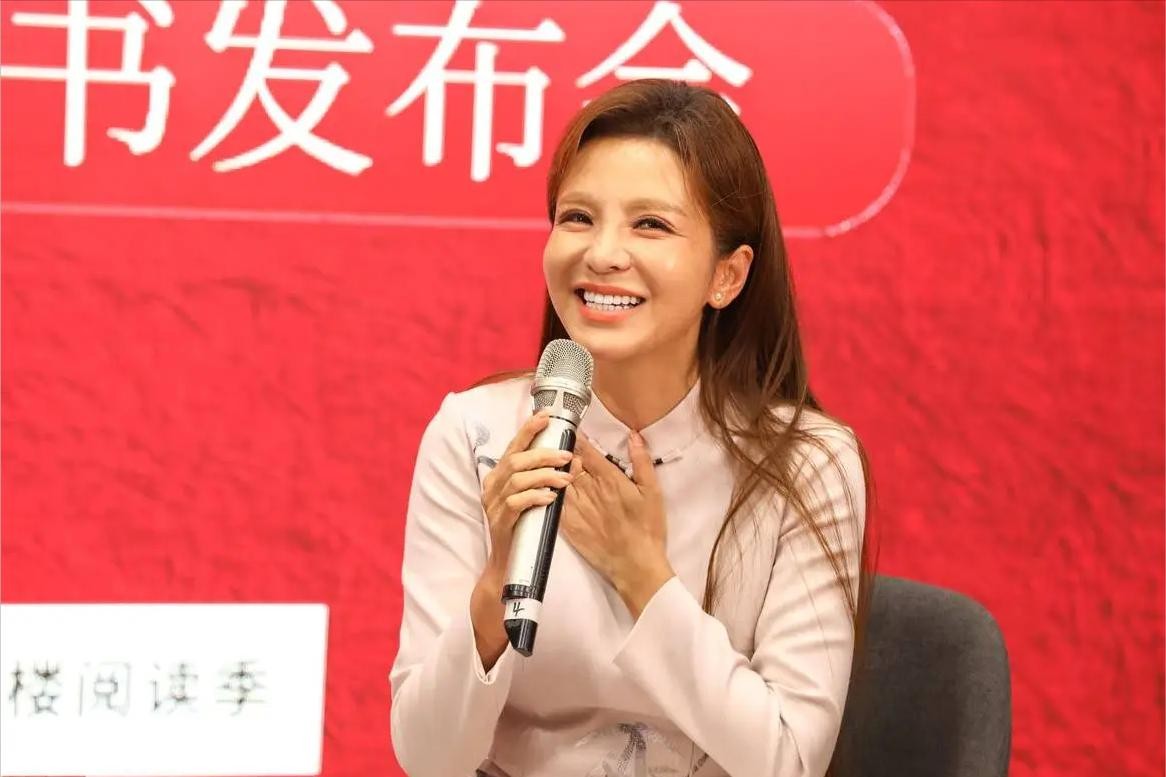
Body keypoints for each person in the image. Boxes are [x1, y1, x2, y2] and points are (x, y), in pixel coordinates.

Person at [389, 79, 874, 777]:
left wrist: (642, 575)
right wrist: (496, 585)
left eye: (650, 225)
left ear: (728, 275)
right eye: (578, 217)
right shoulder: (476, 435)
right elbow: (428, 759)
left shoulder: (808, 463)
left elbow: (788, 761)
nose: (602, 253)